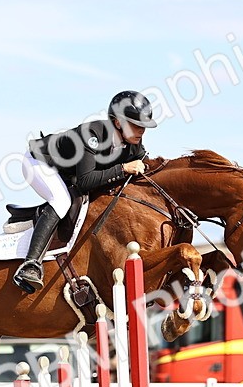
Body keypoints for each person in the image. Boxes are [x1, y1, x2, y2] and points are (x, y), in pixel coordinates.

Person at [13, 90, 158, 293]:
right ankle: (30, 265)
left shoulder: (133, 144)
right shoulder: (92, 135)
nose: (141, 130)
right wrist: (123, 169)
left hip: (68, 171)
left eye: (143, 126)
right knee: (61, 200)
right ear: (117, 122)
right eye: (136, 125)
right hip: (40, 163)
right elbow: (85, 182)